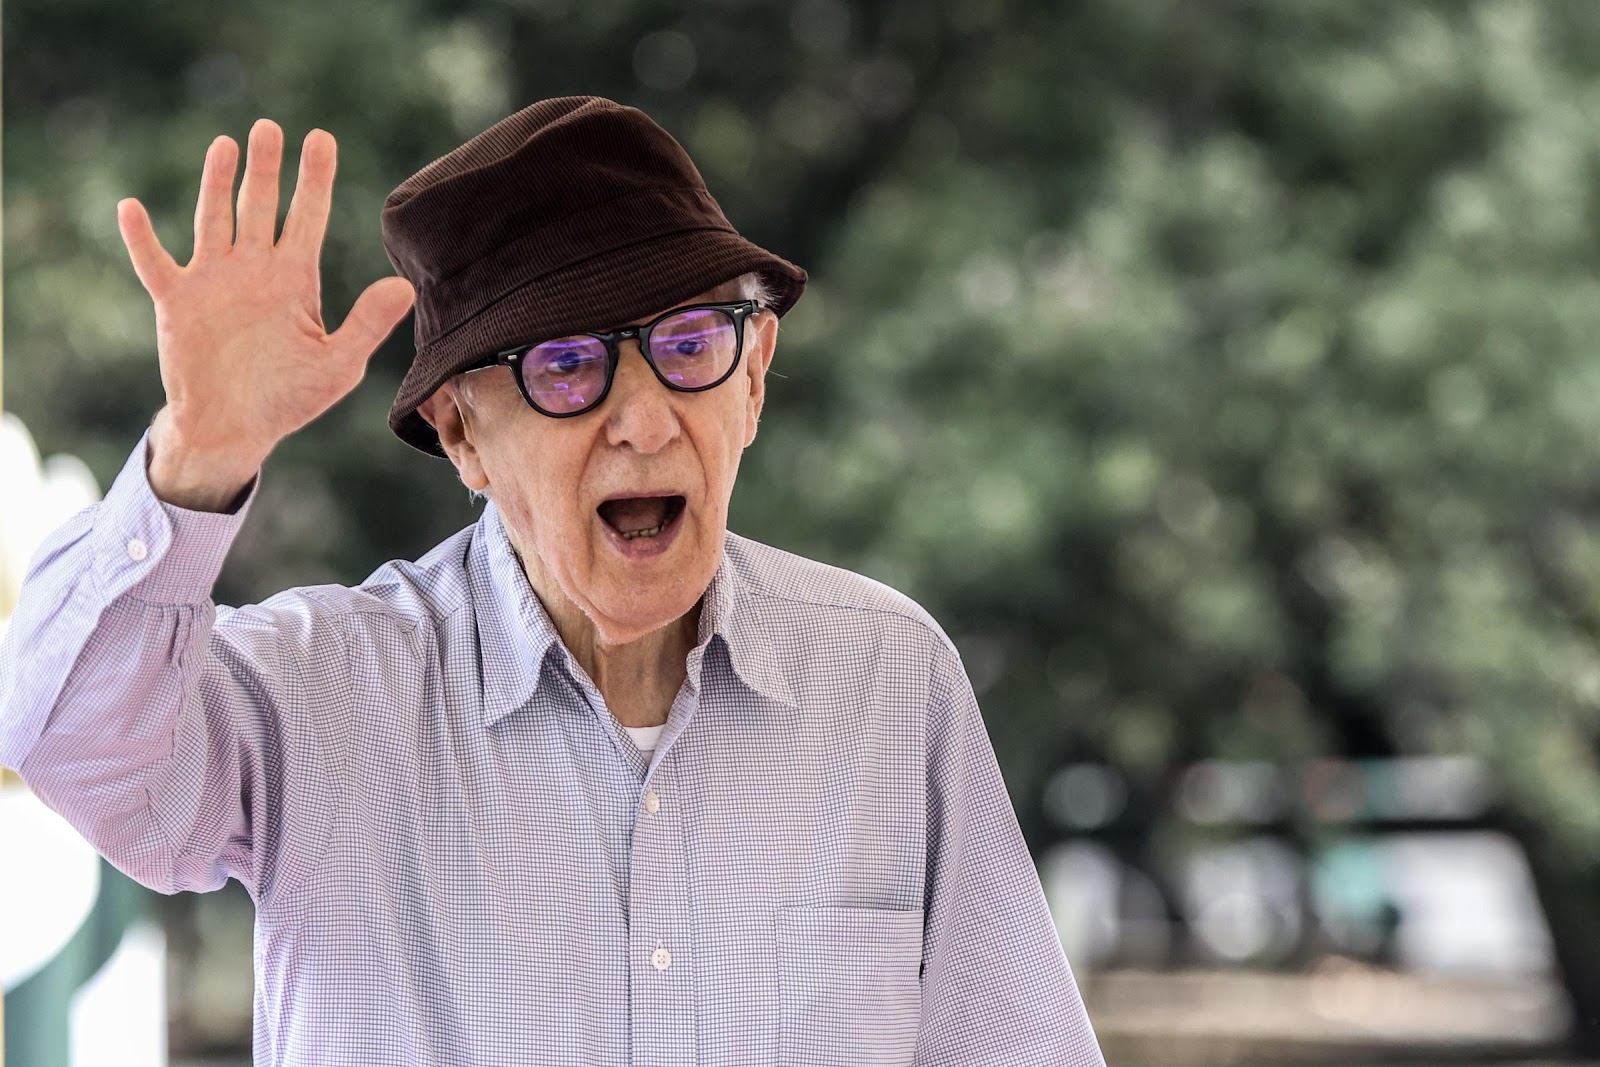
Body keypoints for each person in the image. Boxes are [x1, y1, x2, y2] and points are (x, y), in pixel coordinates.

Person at [0, 97, 1104, 1066]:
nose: (639, 418)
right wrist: (199, 459)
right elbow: (64, 744)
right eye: (565, 365)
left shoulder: (885, 675)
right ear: (462, 435)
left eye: (687, 344)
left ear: (754, 375)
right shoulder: (319, 694)